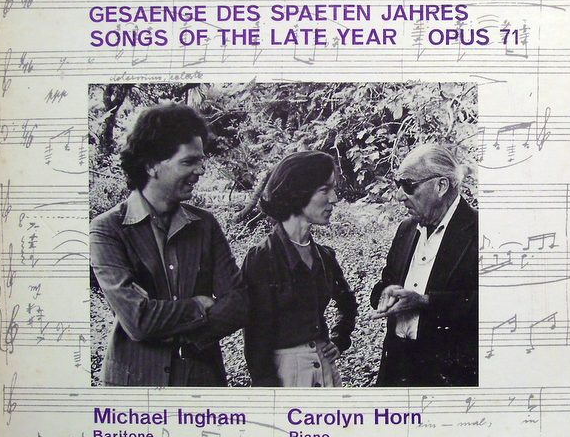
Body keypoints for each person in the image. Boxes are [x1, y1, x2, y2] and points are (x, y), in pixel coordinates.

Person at [90, 103, 247, 386]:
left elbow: (237, 303)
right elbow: (138, 320)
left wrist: (183, 337)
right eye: (188, 162)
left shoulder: (205, 224)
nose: (201, 170)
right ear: (151, 165)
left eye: (201, 161)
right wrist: (199, 306)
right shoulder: (107, 229)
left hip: (202, 381)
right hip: (135, 387)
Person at [242, 151, 357, 387]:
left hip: (326, 370)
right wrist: (268, 390)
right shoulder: (262, 258)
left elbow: (347, 303)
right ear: (297, 192)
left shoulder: (324, 256)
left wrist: (339, 339)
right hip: (285, 375)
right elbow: (255, 339)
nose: (334, 198)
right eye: (324, 190)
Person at [371, 144, 478, 386]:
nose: (400, 195)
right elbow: (386, 282)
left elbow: (493, 305)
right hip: (396, 366)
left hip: (448, 376)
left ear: (441, 186)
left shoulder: (481, 230)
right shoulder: (406, 229)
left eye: (408, 185)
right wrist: (386, 293)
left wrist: (426, 302)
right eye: (398, 184)